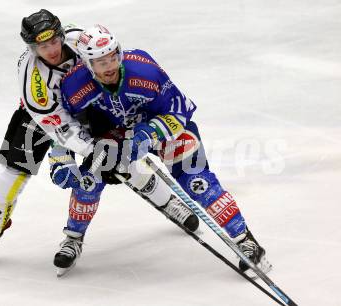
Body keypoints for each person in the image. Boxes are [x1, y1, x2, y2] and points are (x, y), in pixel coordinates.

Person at [0, 10, 199, 266]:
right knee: (5, 177)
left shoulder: (80, 40)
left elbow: (112, 61)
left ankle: (168, 202)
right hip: (44, 120)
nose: (51, 50)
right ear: (32, 48)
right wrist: (91, 149)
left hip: (95, 107)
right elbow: (58, 126)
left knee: (125, 159)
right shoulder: (34, 81)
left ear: (62, 35)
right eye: (42, 46)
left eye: (54, 41)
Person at [57, 24, 271, 277]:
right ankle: (73, 237)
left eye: (114, 56)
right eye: (101, 62)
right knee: (87, 181)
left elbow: (180, 109)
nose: (111, 66)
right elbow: (62, 126)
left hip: (162, 130)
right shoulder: (74, 85)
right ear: (87, 64)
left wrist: (150, 134)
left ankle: (247, 242)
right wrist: (61, 158)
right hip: (113, 137)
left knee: (197, 181)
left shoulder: (144, 70)